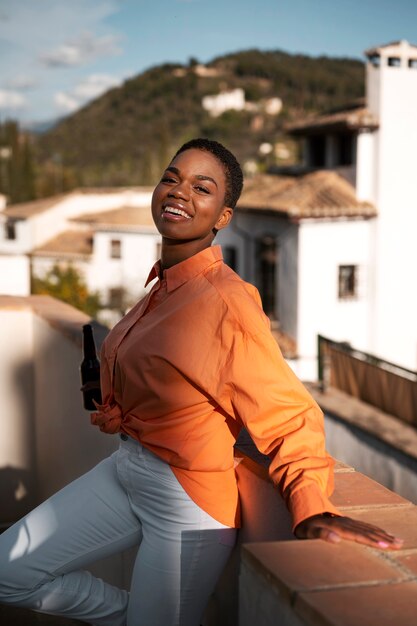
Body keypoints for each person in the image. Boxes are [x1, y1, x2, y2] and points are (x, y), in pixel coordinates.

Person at [0, 138, 403, 625]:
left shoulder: (226, 301)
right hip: (127, 469)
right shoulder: (161, 288)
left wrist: (312, 507)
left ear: (223, 217)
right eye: (171, 178)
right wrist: (118, 408)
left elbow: (287, 414)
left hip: (186, 500)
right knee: (9, 570)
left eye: (201, 187)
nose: (179, 192)